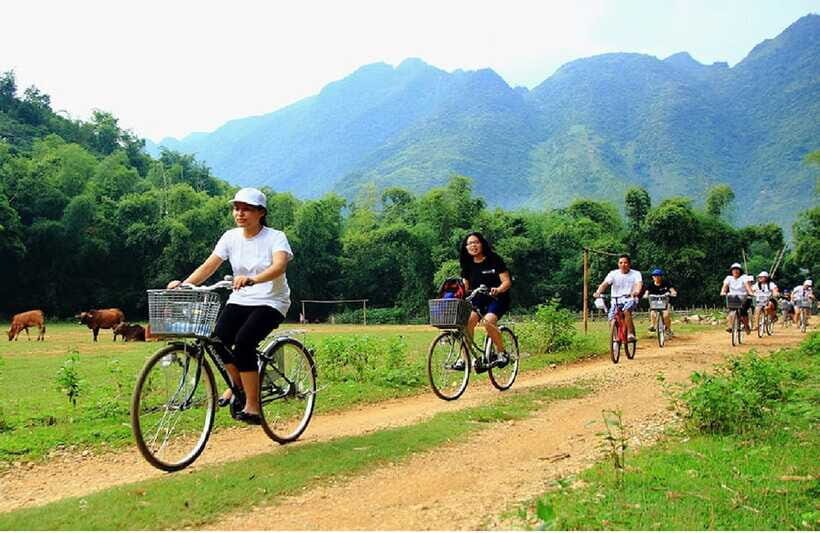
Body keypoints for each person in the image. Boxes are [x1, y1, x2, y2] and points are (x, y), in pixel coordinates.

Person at [167, 187, 293, 425]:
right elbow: (208, 266)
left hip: (271, 299)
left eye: (246, 209)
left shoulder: (276, 237)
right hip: (240, 298)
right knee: (217, 339)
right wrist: (183, 285)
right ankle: (237, 386)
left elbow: (279, 266)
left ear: (261, 213)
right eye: (236, 208)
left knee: (244, 342)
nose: (240, 213)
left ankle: (253, 406)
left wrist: (253, 279)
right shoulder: (230, 237)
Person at [459, 232, 512, 368]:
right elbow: (464, 286)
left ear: (482, 244)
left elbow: (506, 282)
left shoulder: (494, 259)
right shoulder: (467, 264)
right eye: (469, 243)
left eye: (476, 242)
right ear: (466, 247)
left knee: (488, 322)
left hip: (497, 298)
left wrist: (498, 289)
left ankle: (502, 353)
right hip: (478, 300)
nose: (473, 245)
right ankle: (464, 359)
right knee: (467, 322)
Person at [593, 254, 642, 342]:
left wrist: (636, 292)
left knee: (626, 311)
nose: (623, 264)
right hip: (616, 300)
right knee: (611, 317)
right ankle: (616, 337)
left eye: (625, 263)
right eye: (621, 263)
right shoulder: (613, 273)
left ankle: (630, 334)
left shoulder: (636, 274)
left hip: (630, 299)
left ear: (629, 264)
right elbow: (604, 284)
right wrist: (598, 292)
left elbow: (639, 284)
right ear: (618, 264)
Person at [720, 262, 753, 334]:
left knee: (743, 312)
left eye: (737, 269)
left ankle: (746, 326)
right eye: (734, 269)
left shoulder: (744, 277)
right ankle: (730, 326)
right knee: (730, 311)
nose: (735, 271)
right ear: (731, 271)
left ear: (740, 271)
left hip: (743, 298)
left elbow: (747, 286)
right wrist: (723, 292)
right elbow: (725, 286)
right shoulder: (728, 278)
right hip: (733, 298)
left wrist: (750, 292)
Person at [644, 268, 677, 336]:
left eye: (658, 275)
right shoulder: (650, 284)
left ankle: (668, 328)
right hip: (654, 302)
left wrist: (673, 293)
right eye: (655, 276)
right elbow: (647, 292)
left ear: (661, 276)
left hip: (665, 302)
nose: (656, 277)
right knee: (653, 313)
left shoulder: (666, 283)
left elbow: (672, 290)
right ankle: (653, 325)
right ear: (652, 277)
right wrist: (646, 295)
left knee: (666, 315)